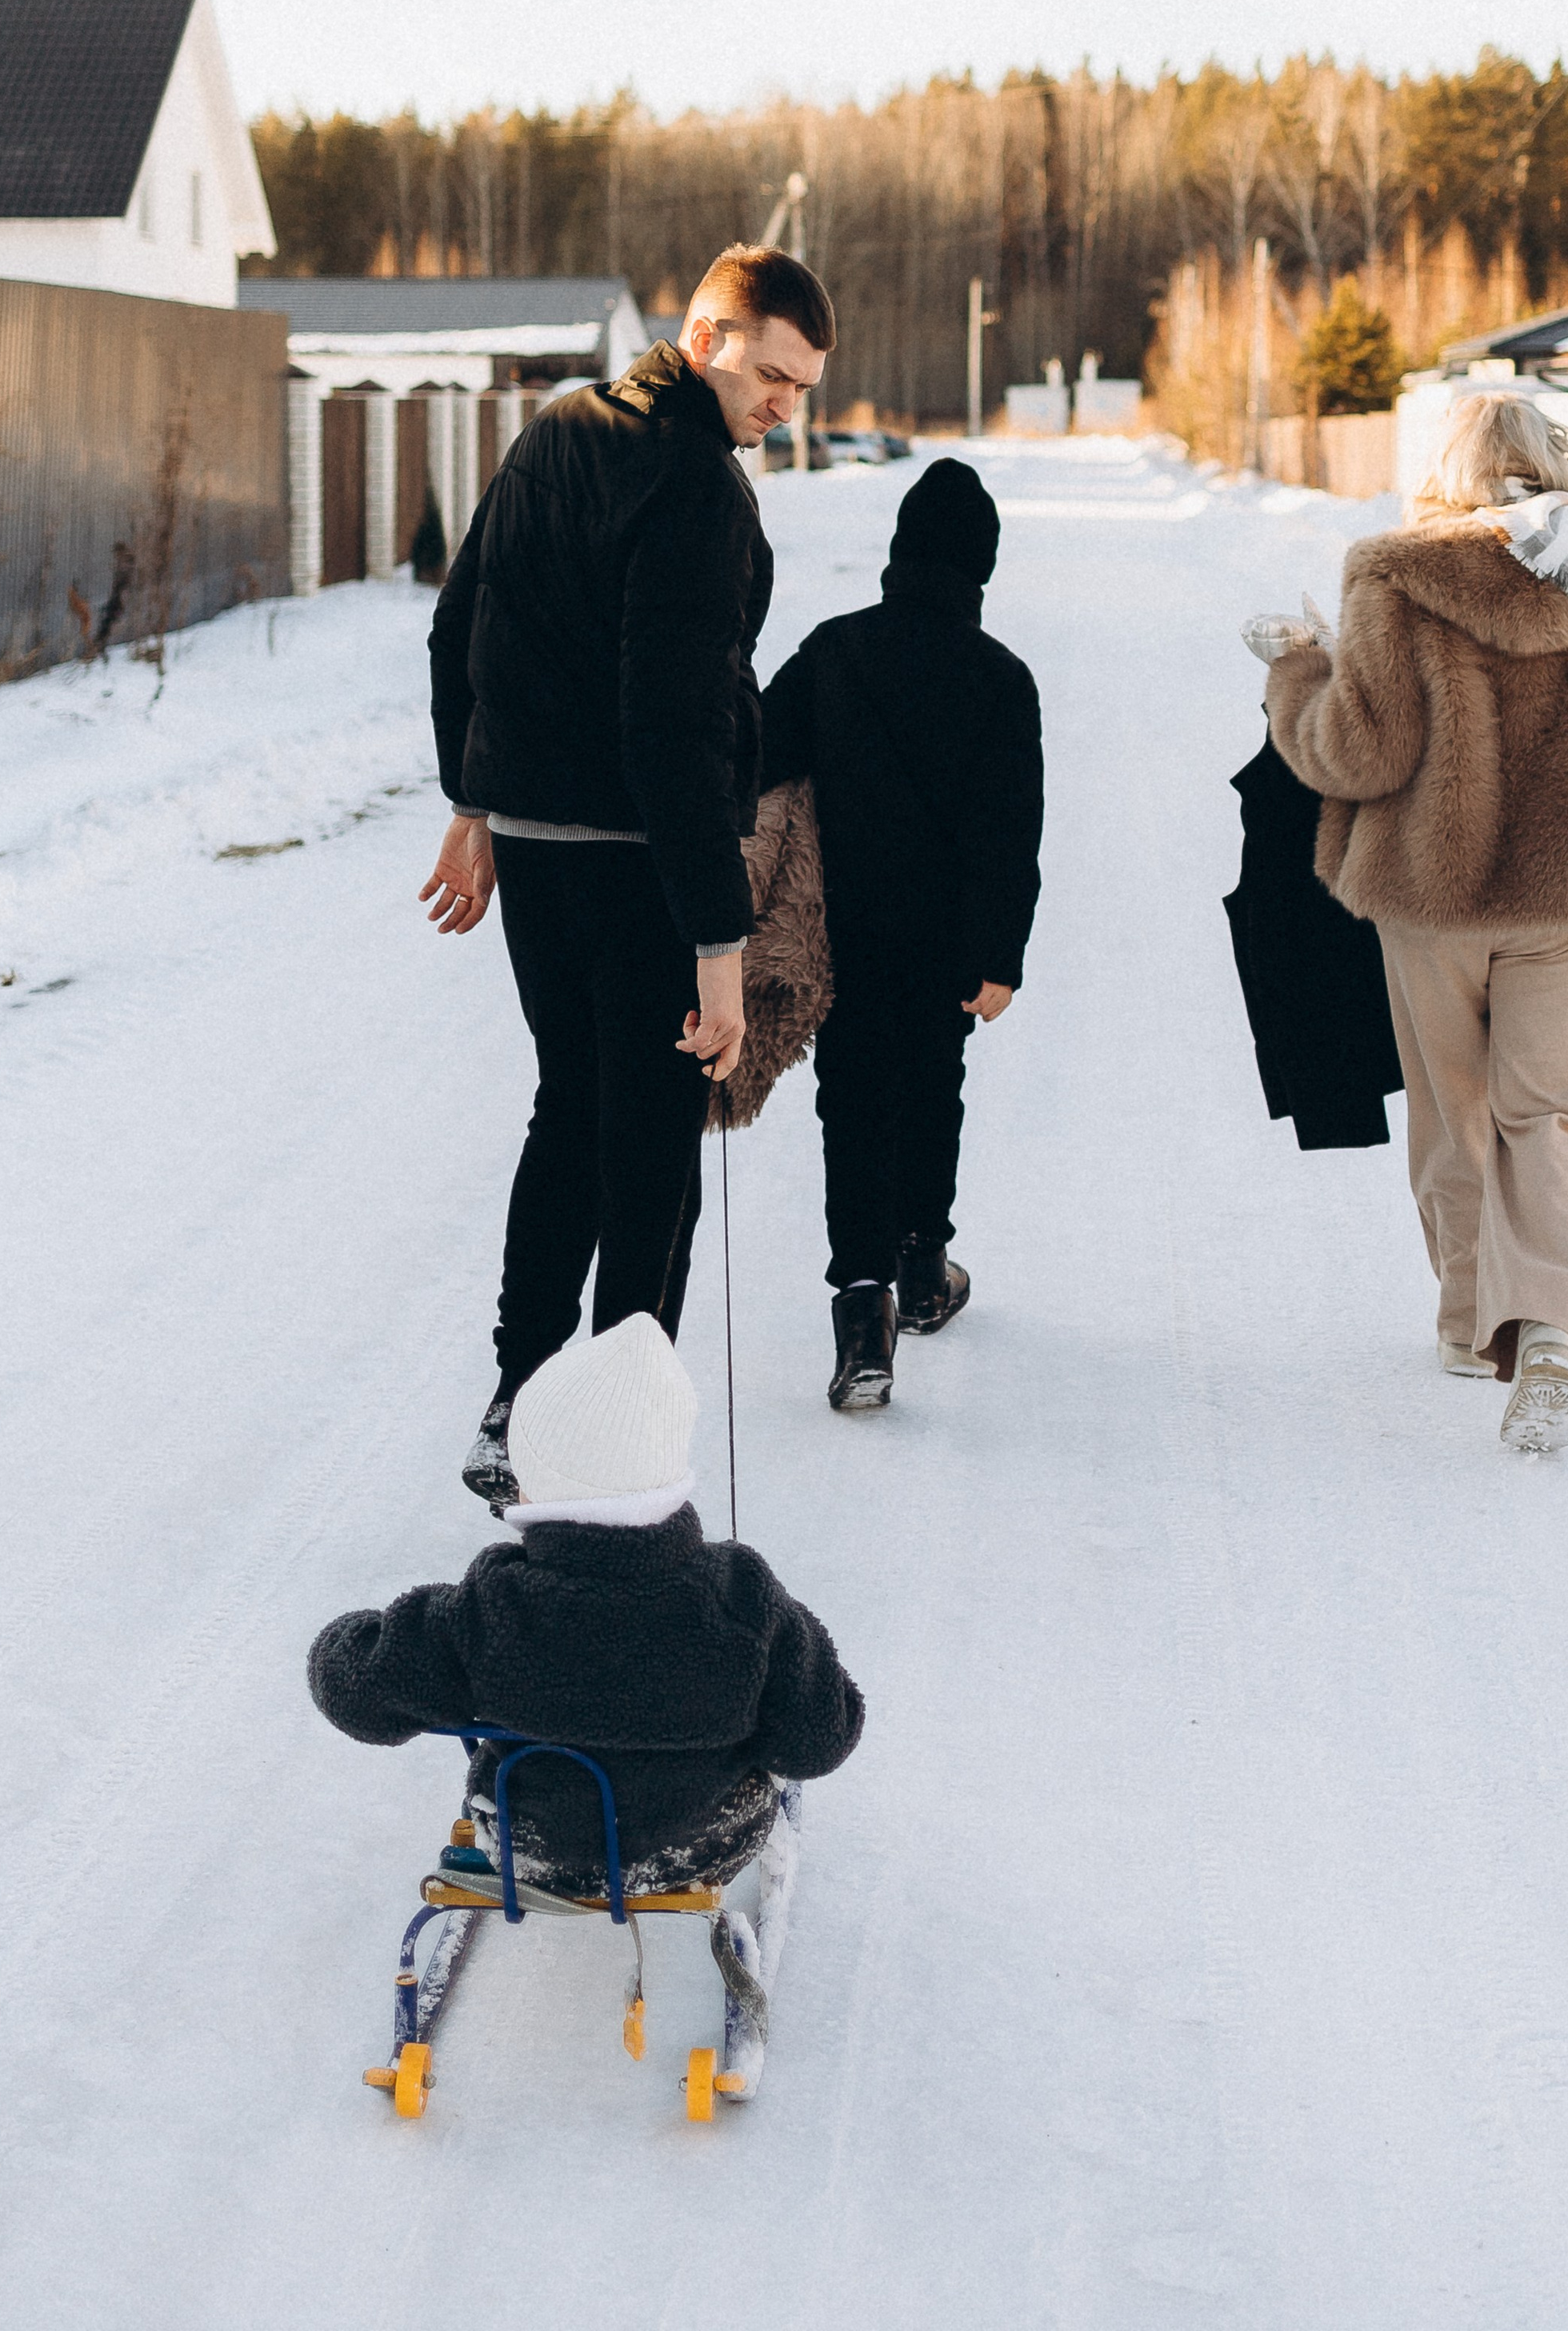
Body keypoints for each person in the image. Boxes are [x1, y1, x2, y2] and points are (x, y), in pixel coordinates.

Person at [420, 246, 834, 1508]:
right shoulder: (696, 489)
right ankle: (613, 1440)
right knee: (652, 1141)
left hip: (540, 861)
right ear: (706, 338)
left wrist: (475, 802)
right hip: (642, 863)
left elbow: (460, 627)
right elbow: (674, 727)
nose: (784, 406)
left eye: (803, 387)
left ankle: (518, 1400)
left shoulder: (552, 436)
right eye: (770, 373)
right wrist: (719, 944)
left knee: (569, 1111)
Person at [1247, 390, 1568, 1452]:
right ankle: (1546, 1341)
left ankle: (1463, 1326)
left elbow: (1359, 753)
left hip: (1433, 900)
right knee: (1551, 1115)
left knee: (1456, 1109)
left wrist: (1297, 669)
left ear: (1442, 466)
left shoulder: (1394, 576)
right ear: (1549, 463)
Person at [307, 1315, 864, 1901]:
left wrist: (344, 1638)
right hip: (703, 1845)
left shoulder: (491, 1607)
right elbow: (819, 1739)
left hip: (532, 1848)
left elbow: (355, 1693)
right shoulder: (744, 1596)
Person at [760, 459, 1043, 1413]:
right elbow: (1014, 831)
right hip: (945, 941)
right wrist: (1000, 954)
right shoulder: (1002, 679)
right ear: (983, 567)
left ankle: (862, 1305)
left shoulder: (834, 652)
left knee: (852, 1107)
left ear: (895, 553)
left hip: (844, 931)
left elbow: (756, 759)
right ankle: (924, 1268)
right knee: (932, 1089)